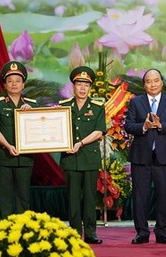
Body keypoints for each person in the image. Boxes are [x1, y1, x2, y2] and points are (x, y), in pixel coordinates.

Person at [124, 69, 166, 245]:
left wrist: (161, 125)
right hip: (141, 156)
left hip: (164, 156)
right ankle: (141, 232)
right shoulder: (136, 102)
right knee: (140, 196)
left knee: (164, 195)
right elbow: (128, 125)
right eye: (148, 81)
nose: (152, 84)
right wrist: (143, 126)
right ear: (144, 85)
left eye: (156, 81)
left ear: (162, 82)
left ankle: (162, 232)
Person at [59, 66, 106, 244]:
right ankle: (74, 233)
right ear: (73, 86)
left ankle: (91, 233)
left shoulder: (97, 107)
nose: (82, 88)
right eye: (79, 84)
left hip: (89, 157)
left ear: (90, 87)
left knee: (89, 197)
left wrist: (80, 143)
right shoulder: (63, 107)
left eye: (86, 85)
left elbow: (99, 132)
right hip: (70, 158)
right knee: (73, 198)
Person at [0, 61, 37, 219]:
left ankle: (23, 230)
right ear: (5, 85)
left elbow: (41, 129)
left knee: (23, 196)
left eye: (17, 81)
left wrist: (32, 115)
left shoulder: (32, 106)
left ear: (23, 85)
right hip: (5, 156)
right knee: (5, 196)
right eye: (10, 81)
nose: (14, 84)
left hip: (25, 158)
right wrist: (8, 146)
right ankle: (5, 231)